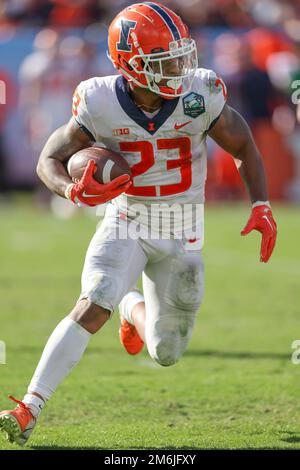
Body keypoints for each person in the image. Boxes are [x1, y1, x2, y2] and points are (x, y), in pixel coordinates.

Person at [0, 2, 277, 446]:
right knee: (94, 300)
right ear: (131, 65)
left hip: (183, 228)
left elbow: (242, 142)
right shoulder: (99, 99)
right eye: (164, 62)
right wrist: (70, 190)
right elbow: (48, 159)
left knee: (166, 351)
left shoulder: (199, 93)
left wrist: (261, 204)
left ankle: (131, 308)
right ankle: (30, 405)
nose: (179, 69)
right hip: (126, 219)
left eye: (180, 57)